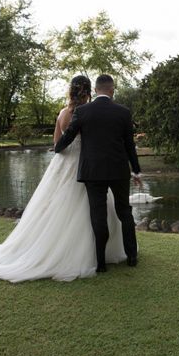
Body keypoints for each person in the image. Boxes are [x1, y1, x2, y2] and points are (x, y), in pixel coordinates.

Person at [0, 75, 127, 282]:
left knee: (57, 209)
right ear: (89, 91)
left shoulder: (62, 114)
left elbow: (57, 143)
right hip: (87, 166)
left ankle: (56, 248)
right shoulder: (88, 114)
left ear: (71, 91)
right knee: (95, 208)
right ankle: (96, 254)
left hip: (64, 164)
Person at [54, 74, 142, 273]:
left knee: (98, 215)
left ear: (96, 90)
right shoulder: (124, 112)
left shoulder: (83, 111)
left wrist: (58, 148)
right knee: (124, 213)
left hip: (92, 171)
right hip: (119, 170)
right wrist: (136, 170)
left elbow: (68, 135)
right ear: (112, 90)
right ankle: (132, 257)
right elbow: (130, 145)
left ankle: (101, 263)